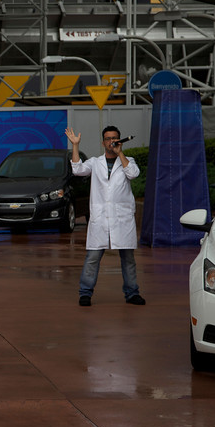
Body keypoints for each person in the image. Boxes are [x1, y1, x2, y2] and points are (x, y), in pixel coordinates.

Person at [65, 125, 146, 307]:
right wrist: (75, 145)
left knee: (128, 259)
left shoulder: (128, 161)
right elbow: (77, 169)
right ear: (103, 143)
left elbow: (133, 174)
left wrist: (120, 153)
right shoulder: (95, 162)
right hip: (100, 219)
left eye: (114, 138)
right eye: (108, 139)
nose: (111, 141)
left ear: (120, 140)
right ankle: (85, 293)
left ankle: (132, 293)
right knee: (92, 258)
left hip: (122, 218)